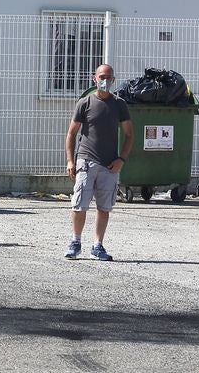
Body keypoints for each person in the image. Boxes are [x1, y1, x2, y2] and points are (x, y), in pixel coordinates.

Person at [64, 63, 134, 260]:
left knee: (104, 208)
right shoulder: (84, 103)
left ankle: (97, 246)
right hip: (85, 162)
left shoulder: (119, 104)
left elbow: (129, 135)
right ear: (94, 78)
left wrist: (121, 159)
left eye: (109, 77)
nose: (105, 81)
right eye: (101, 76)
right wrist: (71, 161)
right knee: (79, 205)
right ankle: (75, 242)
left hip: (109, 166)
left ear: (113, 80)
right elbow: (71, 133)